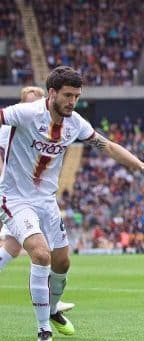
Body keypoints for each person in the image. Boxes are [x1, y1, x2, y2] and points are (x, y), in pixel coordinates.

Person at [0, 66, 144, 341]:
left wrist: (141, 166)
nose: (72, 101)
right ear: (52, 92)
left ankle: (53, 310)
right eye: (68, 95)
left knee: (62, 262)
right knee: (40, 254)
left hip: (46, 200)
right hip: (15, 199)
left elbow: (108, 145)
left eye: (77, 96)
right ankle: (44, 330)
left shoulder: (75, 122)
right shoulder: (27, 113)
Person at [0, 86, 74, 313]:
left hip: (36, 197)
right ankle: (49, 307)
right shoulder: (9, 129)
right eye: (32, 102)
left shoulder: (46, 126)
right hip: (15, 197)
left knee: (12, 246)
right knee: (35, 250)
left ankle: (51, 301)